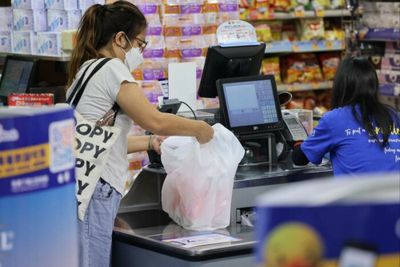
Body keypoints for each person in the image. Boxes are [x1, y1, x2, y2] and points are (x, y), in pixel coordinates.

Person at [66, 2, 214, 266]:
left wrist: (149, 142)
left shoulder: (86, 70)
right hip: (96, 188)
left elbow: (99, 141)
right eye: (140, 43)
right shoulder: (112, 69)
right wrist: (201, 129)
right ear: (120, 38)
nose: (141, 52)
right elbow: (153, 119)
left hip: (82, 184)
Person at [292, 56, 400, 176]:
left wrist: (297, 144)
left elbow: (299, 159)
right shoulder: (393, 115)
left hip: (358, 194)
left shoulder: (334, 119)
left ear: (340, 86)